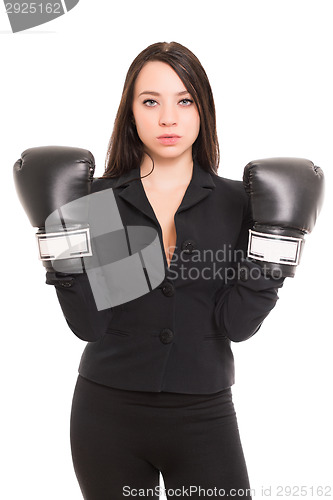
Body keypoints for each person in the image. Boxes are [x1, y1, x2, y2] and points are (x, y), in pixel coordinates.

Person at [13, 41, 324, 500]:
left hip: (205, 416)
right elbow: (88, 325)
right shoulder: (98, 200)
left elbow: (237, 327)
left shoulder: (242, 203)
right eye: (150, 101)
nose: (168, 118)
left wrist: (277, 246)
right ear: (130, 112)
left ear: (203, 109)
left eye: (184, 100)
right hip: (105, 413)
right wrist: (60, 239)